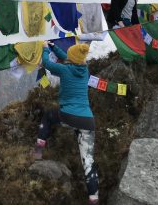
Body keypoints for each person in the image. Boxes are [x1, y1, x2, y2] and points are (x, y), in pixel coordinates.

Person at [32, 41, 99, 204]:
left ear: (72, 59)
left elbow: (47, 63)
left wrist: (46, 48)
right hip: (88, 122)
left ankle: (38, 150)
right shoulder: (85, 69)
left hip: (68, 116)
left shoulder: (64, 70)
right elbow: (68, 58)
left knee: (48, 115)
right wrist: (55, 47)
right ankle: (94, 199)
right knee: (89, 162)